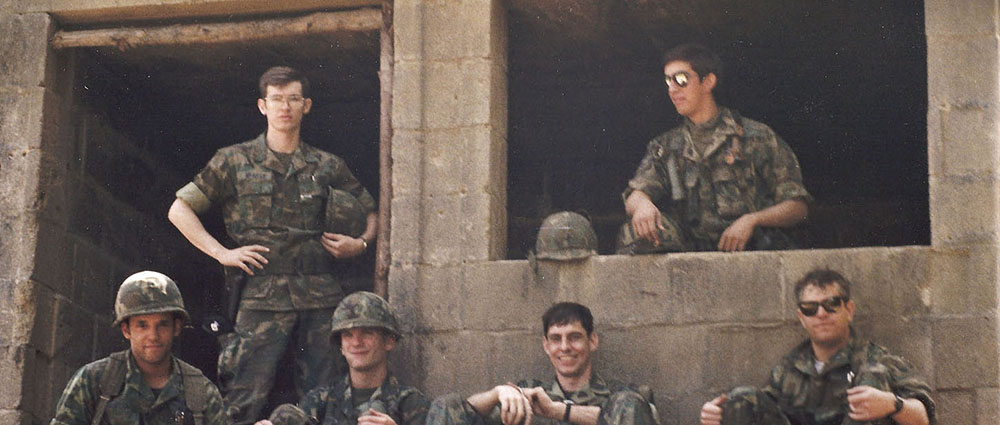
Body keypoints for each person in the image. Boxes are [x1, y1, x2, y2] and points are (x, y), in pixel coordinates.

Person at [167, 66, 378, 424]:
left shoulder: (327, 165)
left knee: (325, 396)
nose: (285, 107)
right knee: (241, 396)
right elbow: (179, 209)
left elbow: (372, 211)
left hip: (320, 295)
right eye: (277, 99)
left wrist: (359, 244)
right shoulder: (233, 160)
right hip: (259, 294)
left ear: (306, 105)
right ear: (262, 106)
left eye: (293, 99)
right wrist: (223, 253)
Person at [619, 43, 811, 254]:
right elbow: (635, 195)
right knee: (634, 232)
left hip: (750, 251)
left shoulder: (756, 136)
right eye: (668, 81)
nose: (672, 89)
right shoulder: (665, 146)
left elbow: (797, 207)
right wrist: (643, 205)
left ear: (708, 81)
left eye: (681, 79)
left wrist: (753, 220)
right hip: (690, 256)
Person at [698, 269, 936, 425]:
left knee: (871, 381)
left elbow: (924, 416)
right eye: (811, 308)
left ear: (849, 310)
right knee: (741, 399)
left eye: (831, 304)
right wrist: (720, 413)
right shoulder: (789, 369)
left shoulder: (877, 360)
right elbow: (763, 409)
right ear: (802, 317)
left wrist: (893, 404)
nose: (821, 314)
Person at [427, 302, 658, 425]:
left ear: (592, 341)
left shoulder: (623, 397)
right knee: (445, 404)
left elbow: (635, 415)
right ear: (546, 346)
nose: (565, 347)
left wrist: (556, 411)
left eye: (574, 337)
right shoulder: (528, 394)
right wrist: (497, 393)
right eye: (556, 339)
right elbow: (457, 413)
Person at [50, 271, 227, 425]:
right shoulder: (94, 381)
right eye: (142, 325)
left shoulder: (201, 392)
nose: (153, 335)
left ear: (177, 327)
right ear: (126, 330)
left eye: (163, 324)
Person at [253, 291, 429, 425]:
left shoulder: (410, 403)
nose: (356, 342)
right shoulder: (319, 400)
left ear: (389, 341)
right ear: (341, 347)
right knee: (285, 415)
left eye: (367, 333)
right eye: (348, 335)